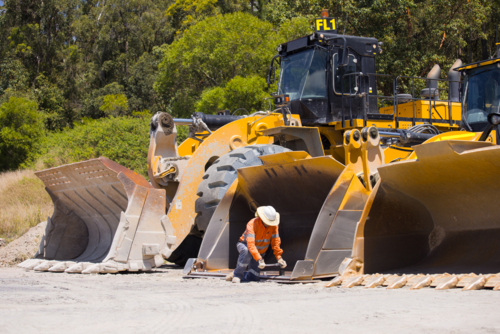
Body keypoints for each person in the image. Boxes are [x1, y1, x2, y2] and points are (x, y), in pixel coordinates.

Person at [226, 206, 287, 283]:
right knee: (246, 251)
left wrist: (279, 258)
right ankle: (237, 275)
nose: (270, 224)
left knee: (254, 277)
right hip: (245, 245)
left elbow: (275, 242)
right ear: (262, 218)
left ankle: (235, 273)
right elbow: (250, 244)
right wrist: (259, 259)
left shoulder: (274, 225)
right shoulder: (252, 224)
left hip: (259, 251)